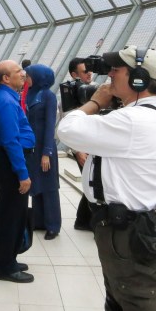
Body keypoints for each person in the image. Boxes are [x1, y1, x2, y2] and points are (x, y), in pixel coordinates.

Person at [57, 46, 156, 311]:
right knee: (122, 297)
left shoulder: (134, 120)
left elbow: (66, 129)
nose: (109, 75)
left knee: (137, 299)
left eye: (116, 70)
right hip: (128, 226)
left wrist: (96, 102)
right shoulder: (152, 116)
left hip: (127, 231)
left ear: (139, 78)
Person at [0, 60, 35, 283]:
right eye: (18, 72)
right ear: (6, 78)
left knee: (11, 211)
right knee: (11, 214)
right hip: (8, 161)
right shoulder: (5, 101)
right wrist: (22, 173)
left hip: (6, 158)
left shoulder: (6, 97)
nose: (23, 74)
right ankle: (6, 267)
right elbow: (11, 141)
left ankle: (6, 258)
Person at [24, 64, 61, 240]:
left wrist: (47, 153)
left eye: (29, 76)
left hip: (44, 147)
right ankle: (39, 220)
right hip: (32, 147)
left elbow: (49, 125)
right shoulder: (29, 94)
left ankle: (53, 225)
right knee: (36, 183)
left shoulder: (48, 96)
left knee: (49, 186)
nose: (26, 79)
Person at [67, 57, 95, 231]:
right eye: (85, 71)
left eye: (90, 70)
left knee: (91, 183)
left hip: (95, 145)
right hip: (82, 148)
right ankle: (87, 221)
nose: (89, 74)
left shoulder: (96, 90)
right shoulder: (69, 94)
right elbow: (68, 124)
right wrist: (77, 151)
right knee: (91, 183)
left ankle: (83, 220)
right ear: (74, 74)